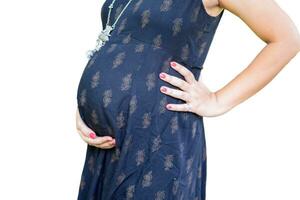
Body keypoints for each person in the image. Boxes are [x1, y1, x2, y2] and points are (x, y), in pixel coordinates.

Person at [75, 0, 300, 199]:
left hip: (156, 134)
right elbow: (118, 42)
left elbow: (287, 39)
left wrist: (217, 100)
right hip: (105, 144)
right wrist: (87, 107)